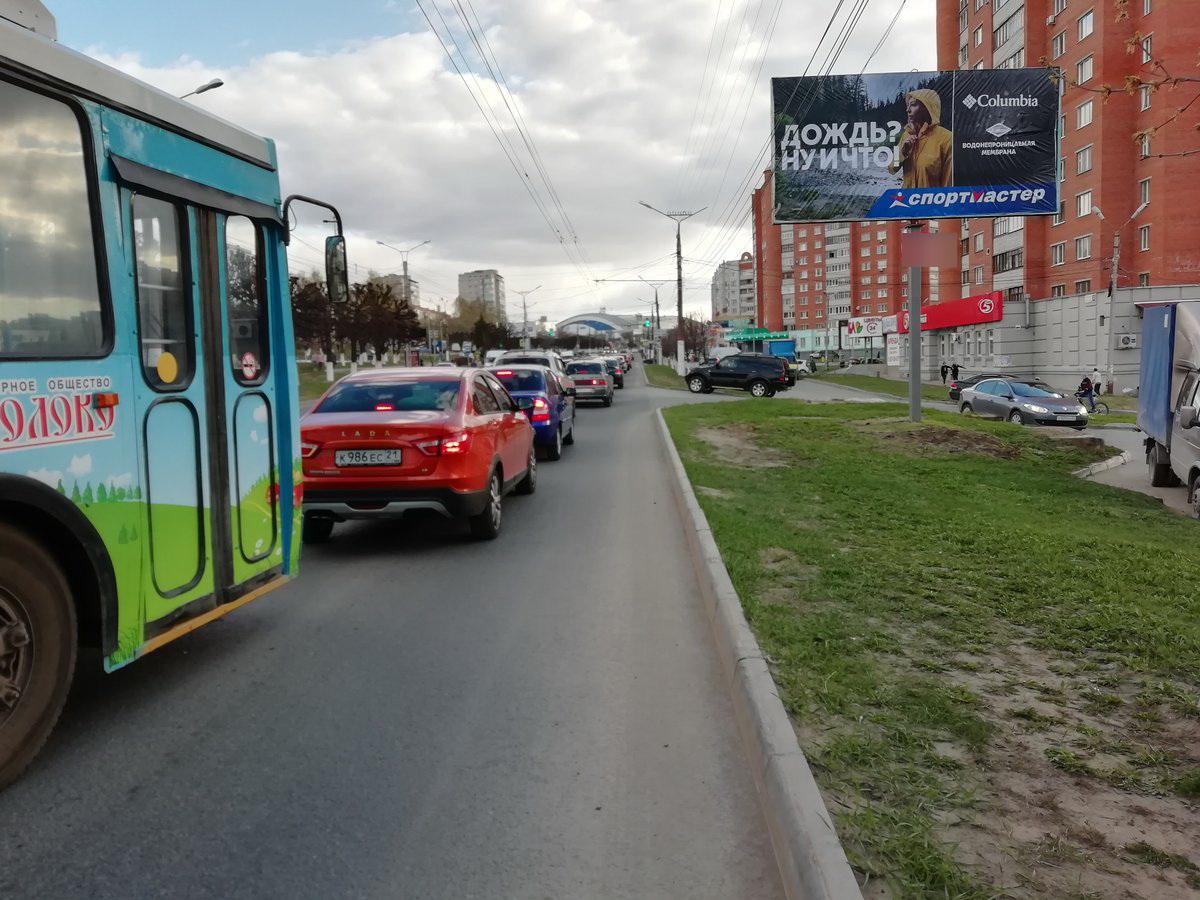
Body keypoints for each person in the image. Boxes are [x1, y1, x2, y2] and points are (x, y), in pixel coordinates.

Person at [887, 89, 954, 189]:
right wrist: (902, 152)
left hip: (930, 203)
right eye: (908, 105)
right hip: (906, 201)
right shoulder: (907, 134)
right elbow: (891, 169)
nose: (908, 110)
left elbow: (948, 185)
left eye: (913, 105)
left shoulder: (946, 138)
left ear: (927, 107)